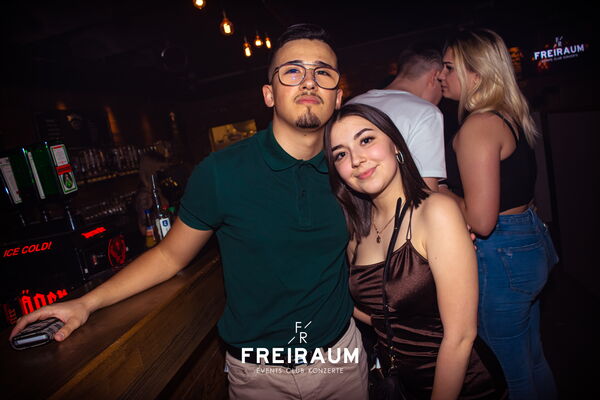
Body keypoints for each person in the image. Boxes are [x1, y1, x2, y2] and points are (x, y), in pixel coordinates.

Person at [10, 24, 368, 400]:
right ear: (269, 94)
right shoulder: (220, 172)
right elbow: (169, 255)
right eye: (293, 71)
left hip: (341, 361)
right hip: (260, 376)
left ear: (338, 96)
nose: (309, 81)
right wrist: (86, 302)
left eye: (323, 72)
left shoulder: (349, 168)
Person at [324, 103, 507, 399]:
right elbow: (381, 312)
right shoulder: (357, 232)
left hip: (461, 386)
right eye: (341, 154)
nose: (356, 159)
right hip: (402, 386)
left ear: (395, 143)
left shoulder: (436, 212)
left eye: (366, 140)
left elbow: (460, 337)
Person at [437, 29, 558, 400]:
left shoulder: (479, 126)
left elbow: (481, 221)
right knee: (533, 359)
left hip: (502, 254)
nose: (440, 75)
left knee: (508, 375)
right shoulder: (507, 115)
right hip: (529, 239)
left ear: (476, 75)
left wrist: (442, 195)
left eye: (449, 67)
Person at [347, 44, 446, 191]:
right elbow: (427, 192)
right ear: (434, 76)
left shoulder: (351, 104)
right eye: (442, 82)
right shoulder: (426, 113)